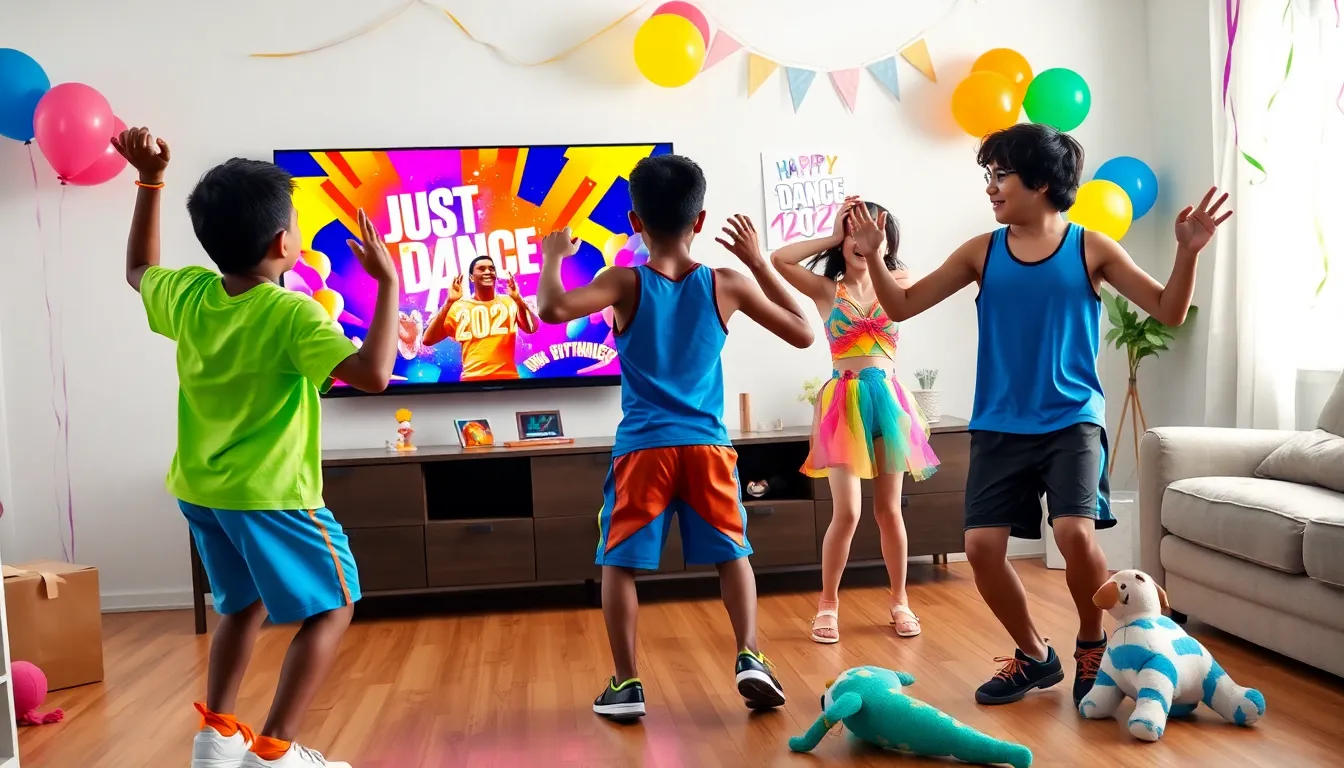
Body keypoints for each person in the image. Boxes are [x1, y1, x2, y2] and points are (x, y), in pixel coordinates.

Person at [848, 123, 1231, 709]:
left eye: (1001, 176)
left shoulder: (1091, 248)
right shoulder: (981, 251)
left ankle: (1091, 642)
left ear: (1043, 182)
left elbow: (1168, 310)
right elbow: (901, 305)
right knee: (981, 548)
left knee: (1074, 531)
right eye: (989, 176)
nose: (990, 188)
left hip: (1071, 418)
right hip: (999, 422)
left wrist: (1187, 252)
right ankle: (1034, 655)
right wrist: (875, 256)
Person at [114, 126, 400, 768]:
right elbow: (375, 375)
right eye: (297, 222)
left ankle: (216, 737)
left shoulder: (190, 293)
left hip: (202, 492)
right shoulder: (291, 313)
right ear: (282, 243)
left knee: (240, 608)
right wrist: (388, 285)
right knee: (335, 606)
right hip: (272, 497)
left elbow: (137, 270)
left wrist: (150, 182)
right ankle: (273, 751)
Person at [536, 154, 814, 720]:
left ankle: (626, 684)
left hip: (643, 448)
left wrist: (552, 258)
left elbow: (552, 308)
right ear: (700, 220)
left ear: (634, 221)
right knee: (732, 554)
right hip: (708, 447)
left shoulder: (623, 281)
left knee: (620, 564)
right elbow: (804, 333)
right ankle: (750, 656)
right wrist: (758, 263)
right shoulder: (727, 283)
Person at [770, 195, 939, 644]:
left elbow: (909, 287)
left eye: (871, 234)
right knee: (846, 512)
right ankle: (827, 605)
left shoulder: (899, 281)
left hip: (890, 402)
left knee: (889, 511)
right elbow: (780, 259)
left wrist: (875, 251)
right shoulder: (828, 290)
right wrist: (831, 233)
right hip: (843, 404)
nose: (861, 243)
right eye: (853, 235)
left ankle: (900, 602)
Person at [419, 255, 538, 380]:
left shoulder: (509, 302)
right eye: (482, 269)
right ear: (471, 277)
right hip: (472, 381)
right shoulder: (458, 307)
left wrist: (518, 299)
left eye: (491, 269)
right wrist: (449, 302)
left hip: (508, 379)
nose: (488, 272)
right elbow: (427, 340)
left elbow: (532, 328)